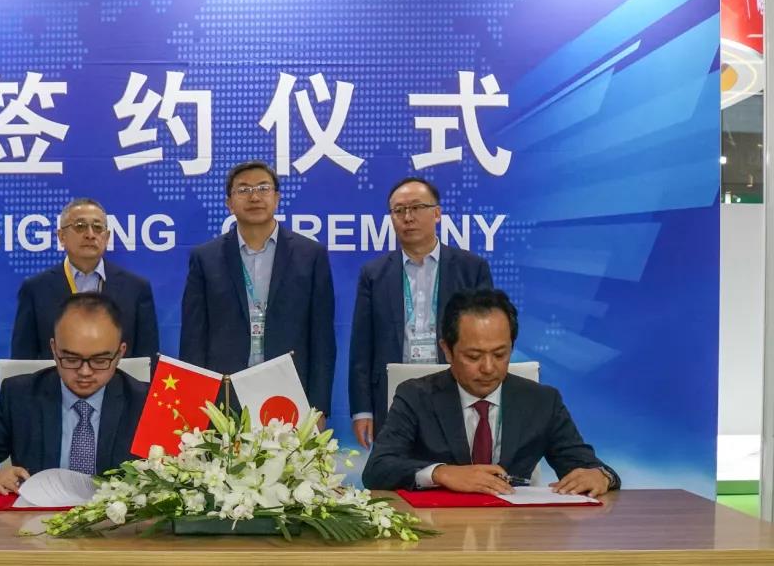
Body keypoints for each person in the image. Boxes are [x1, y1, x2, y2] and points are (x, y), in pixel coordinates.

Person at [361, 289, 620, 497]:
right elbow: (377, 470)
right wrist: (441, 473)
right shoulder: (415, 396)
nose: (488, 368)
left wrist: (602, 476)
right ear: (447, 350)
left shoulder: (543, 401)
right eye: (474, 356)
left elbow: (588, 466)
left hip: (515, 533)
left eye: (499, 354)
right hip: (438, 528)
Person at [0, 292, 148, 493]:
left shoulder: (147, 403)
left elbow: (166, 478)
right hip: (38, 514)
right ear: (54, 349)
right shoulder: (20, 396)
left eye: (100, 360)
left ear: (120, 353)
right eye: (71, 359)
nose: (85, 372)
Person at [180, 161, 336, 419]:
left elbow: (322, 339)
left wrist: (318, 409)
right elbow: (193, 339)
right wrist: (196, 405)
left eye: (263, 188)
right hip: (224, 394)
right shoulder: (205, 258)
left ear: (277, 198)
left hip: (290, 391)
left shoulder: (310, 255)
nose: (254, 197)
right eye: (243, 190)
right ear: (229, 203)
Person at [348, 177, 493, 448]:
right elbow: (361, 348)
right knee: (396, 467)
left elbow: (488, 338)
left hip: (456, 388)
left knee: (456, 465)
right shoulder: (374, 274)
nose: (408, 217)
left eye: (416, 207)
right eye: (399, 210)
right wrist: (362, 410)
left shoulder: (471, 268)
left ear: (437, 213)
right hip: (393, 392)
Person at [10, 198, 159, 361]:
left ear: (107, 237)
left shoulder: (136, 289)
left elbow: (148, 361)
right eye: (80, 226)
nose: (90, 235)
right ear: (61, 236)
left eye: (97, 227)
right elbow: (22, 361)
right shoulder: (36, 289)